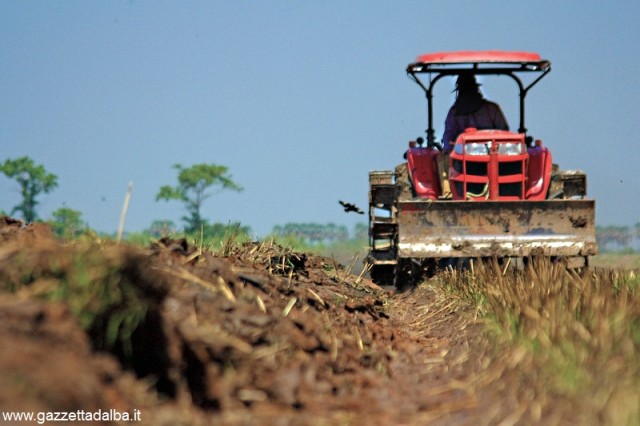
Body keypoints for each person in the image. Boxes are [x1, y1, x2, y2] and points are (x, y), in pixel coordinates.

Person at [440, 73, 509, 154]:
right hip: (462, 154)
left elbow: (504, 133)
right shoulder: (454, 113)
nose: (467, 95)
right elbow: (449, 136)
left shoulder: (491, 109)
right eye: (465, 91)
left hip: (491, 152)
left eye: (469, 90)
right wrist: (448, 150)